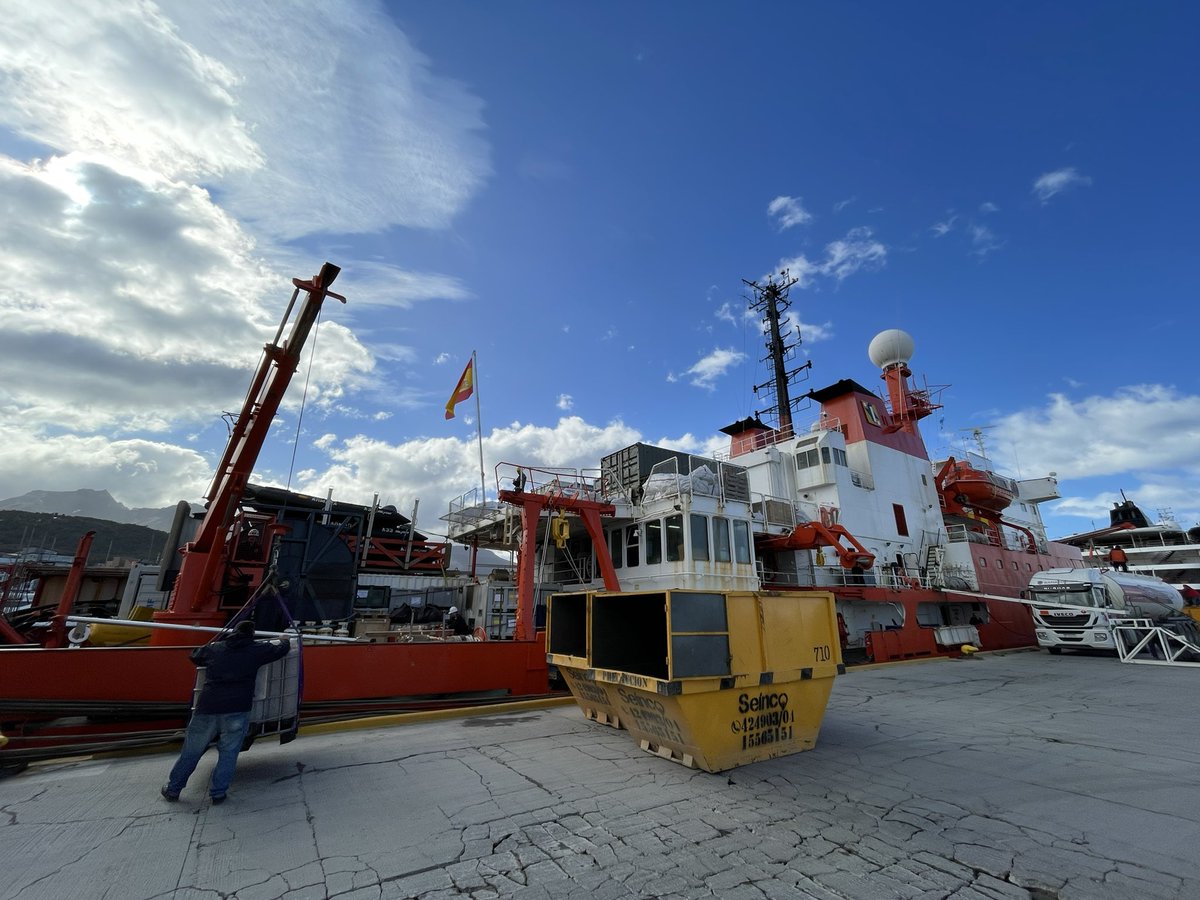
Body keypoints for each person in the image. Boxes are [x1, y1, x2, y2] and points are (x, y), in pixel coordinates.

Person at [161, 620, 290, 804]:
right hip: (237, 709)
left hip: (208, 707)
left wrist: (212, 643)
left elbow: (195, 655)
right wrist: (284, 639)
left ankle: (173, 789)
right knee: (229, 753)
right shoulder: (256, 650)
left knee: (192, 750)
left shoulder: (216, 648)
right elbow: (280, 650)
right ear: (251, 635)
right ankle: (218, 793)